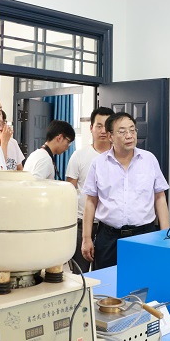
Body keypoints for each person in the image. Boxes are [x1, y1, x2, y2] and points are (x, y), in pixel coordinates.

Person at [81, 112, 169, 270]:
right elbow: (90, 201)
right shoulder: (99, 163)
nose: (129, 135)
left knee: (145, 279)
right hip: (108, 237)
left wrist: (165, 234)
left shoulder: (149, 160)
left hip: (144, 236)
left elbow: (160, 197)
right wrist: (86, 238)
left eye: (132, 130)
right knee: (106, 282)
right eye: (122, 132)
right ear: (110, 136)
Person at [66, 106, 114, 272]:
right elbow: (69, 190)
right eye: (99, 126)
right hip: (81, 222)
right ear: (91, 128)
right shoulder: (79, 156)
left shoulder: (119, 156)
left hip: (108, 226)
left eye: (107, 126)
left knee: (105, 272)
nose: (103, 131)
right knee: (80, 273)